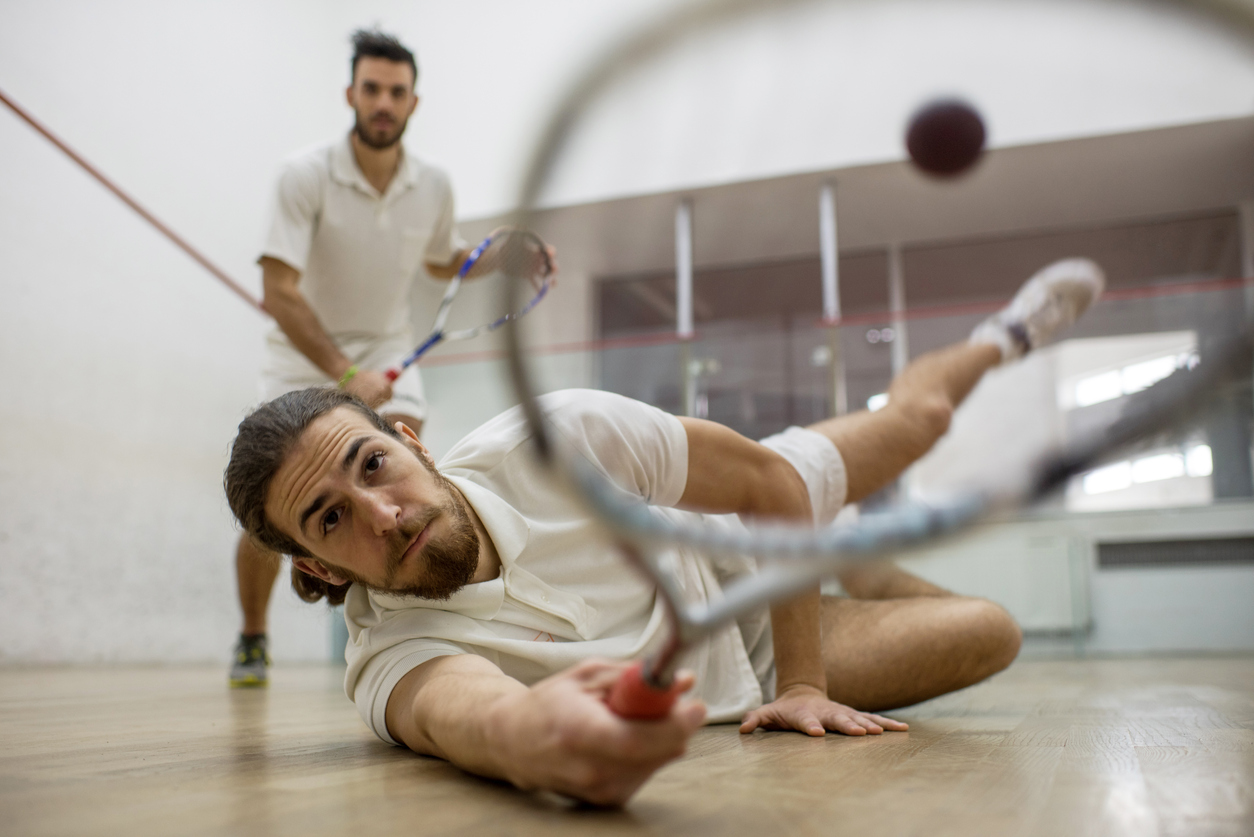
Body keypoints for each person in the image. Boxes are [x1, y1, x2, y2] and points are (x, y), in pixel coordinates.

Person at [223, 257, 1104, 804]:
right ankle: (856, 565)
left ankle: (1003, 334)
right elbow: (474, 718)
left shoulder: (560, 432)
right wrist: (536, 741)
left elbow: (765, 482)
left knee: (923, 419)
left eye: (372, 466)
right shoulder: (388, 658)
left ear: (408, 437)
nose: (381, 512)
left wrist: (805, 683)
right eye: (331, 517)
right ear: (320, 567)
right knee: (993, 630)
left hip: (743, 531)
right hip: (740, 662)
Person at [229, 29, 480, 686]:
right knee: (269, 515)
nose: (383, 103)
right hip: (302, 357)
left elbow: (438, 255)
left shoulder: (435, 185)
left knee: (406, 480)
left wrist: (486, 257)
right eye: (372, 89)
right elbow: (278, 293)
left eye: (396, 92)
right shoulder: (303, 175)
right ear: (351, 93)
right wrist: (344, 374)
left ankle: (408, 634)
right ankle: (253, 637)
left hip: (389, 351)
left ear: (413, 102)